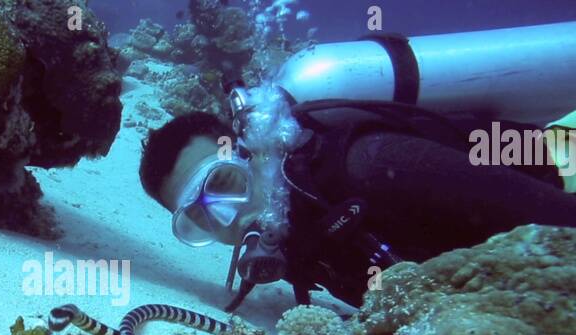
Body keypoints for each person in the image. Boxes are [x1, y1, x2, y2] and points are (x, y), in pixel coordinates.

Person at [138, 30, 576, 310]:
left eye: (222, 184)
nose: (226, 218)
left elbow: (559, 230)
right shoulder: (296, 232)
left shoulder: (372, 164)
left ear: (253, 153)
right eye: (199, 218)